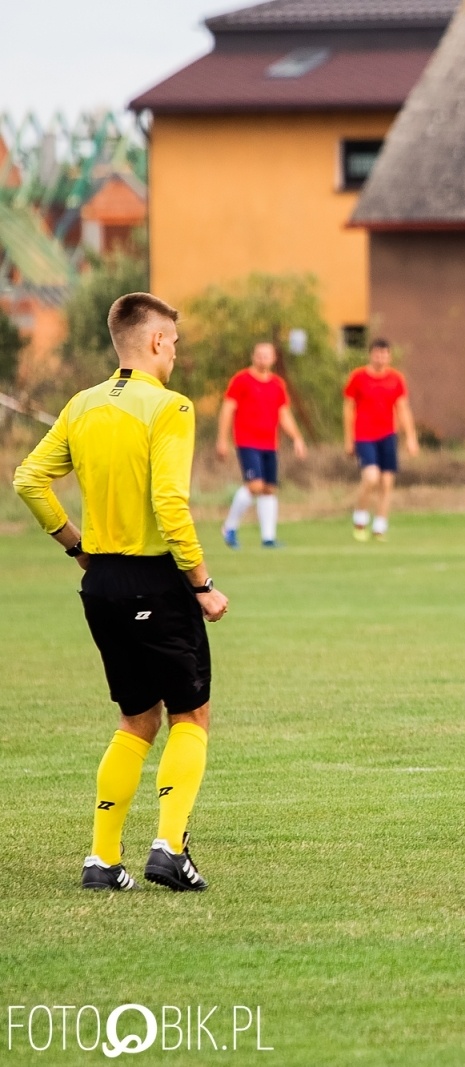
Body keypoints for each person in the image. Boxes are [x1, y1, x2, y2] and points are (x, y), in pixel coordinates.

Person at [12, 292, 229, 891]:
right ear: (158, 341)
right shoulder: (170, 408)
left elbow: (28, 478)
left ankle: (103, 861)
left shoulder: (82, 405)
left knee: (137, 718)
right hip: (154, 579)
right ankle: (169, 848)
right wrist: (203, 584)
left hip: (101, 583)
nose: (177, 353)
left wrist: (76, 546)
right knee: (191, 713)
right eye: (176, 342)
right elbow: (169, 503)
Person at [216, 341, 307, 548]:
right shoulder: (241, 380)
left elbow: (284, 414)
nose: (263, 359)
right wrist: (222, 439)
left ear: (274, 358)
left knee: (268, 489)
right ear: (253, 357)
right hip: (247, 441)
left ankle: (268, 537)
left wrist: (297, 438)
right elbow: (228, 409)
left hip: (270, 443)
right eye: (259, 355)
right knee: (254, 485)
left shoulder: (277, 384)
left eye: (267, 355)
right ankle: (229, 527)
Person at [343, 338, 419, 542]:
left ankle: (380, 526)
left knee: (386, 482)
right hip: (364, 435)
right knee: (371, 477)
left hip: (388, 435)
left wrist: (410, 437)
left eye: (384, 354)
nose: (381, 357)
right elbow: (348, 408)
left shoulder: (396, 379)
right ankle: (360, 517)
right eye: (377, 353)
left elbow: (403, 409)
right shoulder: (358, 377)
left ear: (389, 356)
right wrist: (348, 439)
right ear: (371, 355)